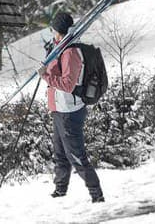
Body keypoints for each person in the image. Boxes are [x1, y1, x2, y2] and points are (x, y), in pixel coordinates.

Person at [37, 11, 104, 203]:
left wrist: (45, 75)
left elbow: (68, 84)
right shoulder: (59, 48)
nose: (51, 32)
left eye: (53, 29)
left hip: (70, 111)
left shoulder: (71, 52)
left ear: (59, 30)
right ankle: (60, 191)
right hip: (58, 109)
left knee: (76, 155)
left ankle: (96, 194)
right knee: (60, 153)